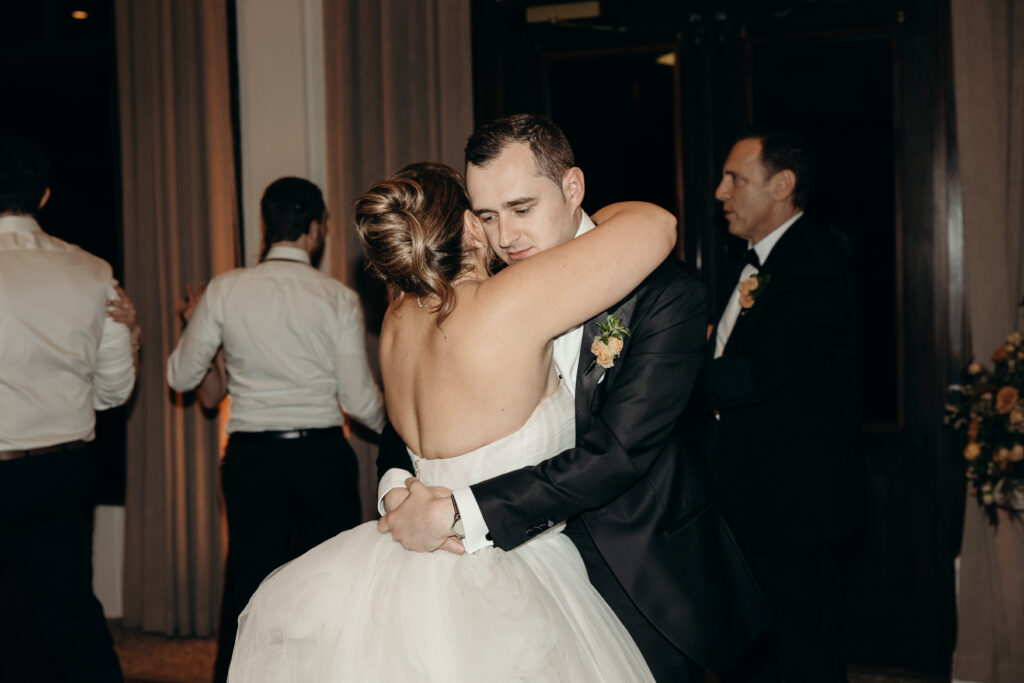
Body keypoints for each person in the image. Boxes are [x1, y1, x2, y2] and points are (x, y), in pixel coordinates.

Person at [227, 162, 677, 681]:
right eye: (484, 216)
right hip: (509, 571)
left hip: (403, 566)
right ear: (467, 227)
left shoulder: (397, 316)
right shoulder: (512, 301)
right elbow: (655, 225)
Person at [376, 114, 770, 681]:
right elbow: (408, 416)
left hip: (638, 572)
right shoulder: (469, 293)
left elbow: (619, 453)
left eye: (521, 208)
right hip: (498, 578)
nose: (505, 236)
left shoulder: (664, 294)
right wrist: (398, 485)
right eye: (486, 216)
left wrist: (462, 511)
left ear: (572, 188)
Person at [166, 177, 385, 683]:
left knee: (246, 578)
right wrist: (398, 429)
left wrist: (194, 320)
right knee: (329, 584)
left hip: (251, 459)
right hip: (321, 458)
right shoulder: (337, 298)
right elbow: (358, 400)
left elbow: (180, 376)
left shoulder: (224, 289)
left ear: (269, 226)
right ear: (315, 229)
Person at [708, 129, 859, 682]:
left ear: (782, 185)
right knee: (755, 654)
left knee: (801, 655)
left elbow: (751, 375)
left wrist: (658, 370)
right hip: (751, 498)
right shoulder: (750, 264)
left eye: (736, 178)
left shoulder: (814, 263)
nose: (721, 192)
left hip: (797, 508)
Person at [0, 134, 136, 681]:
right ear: (46, 196)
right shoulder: (93, 271)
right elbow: (114, 393)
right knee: (73, 619)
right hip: (63, 471)